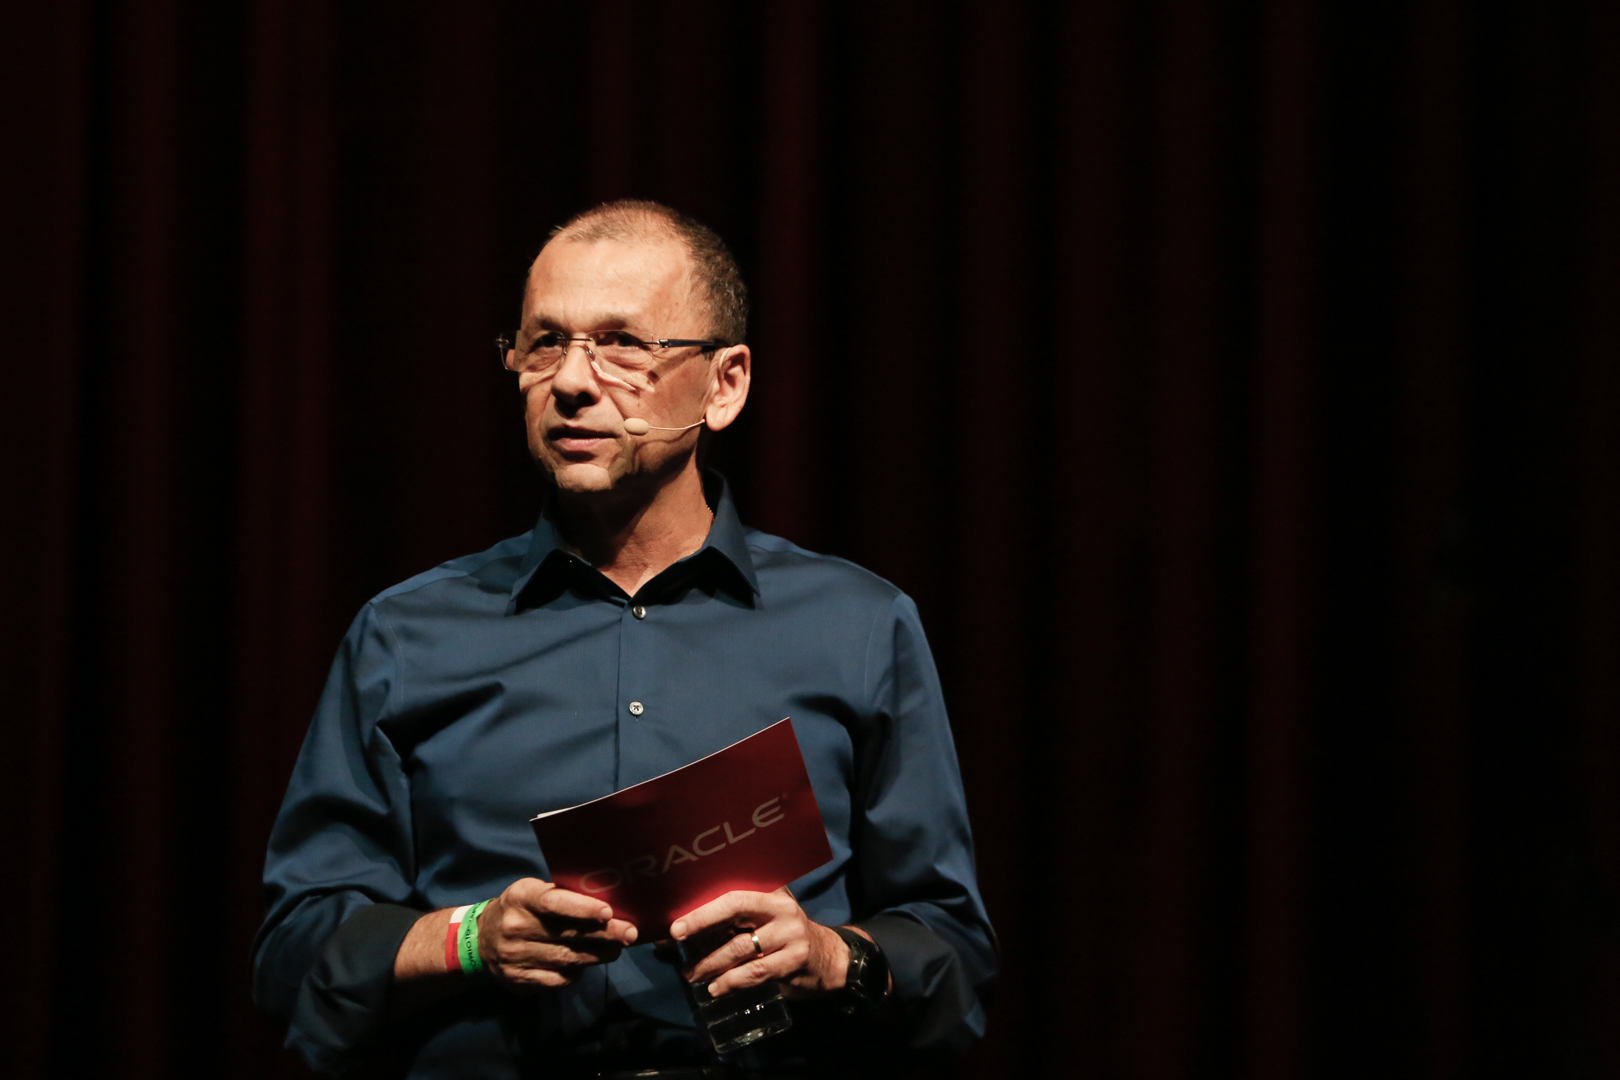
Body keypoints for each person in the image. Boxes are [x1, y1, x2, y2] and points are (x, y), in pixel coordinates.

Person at [251, 200, 998, 1078]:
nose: (571, 380)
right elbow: (292, 955)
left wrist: (831, 958)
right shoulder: (408, 634)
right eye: (543, 343)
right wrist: (468, 938)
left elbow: (950, 954)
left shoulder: (857, 626)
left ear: (725, 384)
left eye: (622, 344)